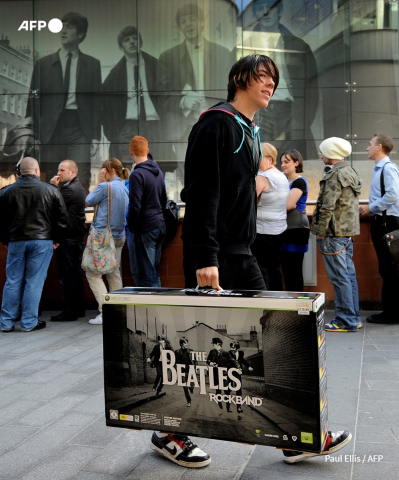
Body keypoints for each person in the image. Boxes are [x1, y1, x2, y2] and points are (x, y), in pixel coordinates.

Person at [151, 54, 351, 468]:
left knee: (275, 337)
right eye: (262, 76)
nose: (270, 84)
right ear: (239, 79)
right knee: (202, 353)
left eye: (273, 79)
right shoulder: (216, 123)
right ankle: (170, 431)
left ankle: (294, 436)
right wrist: (206, 257)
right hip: (215, 255)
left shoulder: (249, 129)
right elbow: (202, 193)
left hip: (241, 252)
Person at [26, 12, 101, 193]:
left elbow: (96, 102)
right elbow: (33, 99)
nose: (63, 31)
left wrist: (96, 136)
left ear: (80, 34)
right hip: (51, 127)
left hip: (79, 126)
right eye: (62, 26)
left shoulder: (92, 64)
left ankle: (78, 216)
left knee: (80, 175)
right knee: (52, 176)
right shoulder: (43, 64)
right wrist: (30, 129)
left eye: (69, 27)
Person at [157, 3, 231, 177]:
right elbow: (161, 94)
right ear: (180, 27)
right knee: (188, 174)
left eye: (192, 19)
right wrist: (182, 101)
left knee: (217, 171)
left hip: (216, 122)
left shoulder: (222, 53)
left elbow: (232, 91)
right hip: (184, 127)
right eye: (183, 21)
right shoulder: (168, 57)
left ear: (202, 22)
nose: (188, 24)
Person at [0, 157, 68, 332]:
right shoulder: (50, 190)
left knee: (13, 281)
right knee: (34, 282)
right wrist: (57, 239)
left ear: (20, 172)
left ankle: (6, 322)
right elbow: (62, 219)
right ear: (37, 171)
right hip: (42, 241)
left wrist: (6, 240)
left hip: (16, 241)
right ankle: (29, 322)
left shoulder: (6, 192)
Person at [246, 0, 319, 159]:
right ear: (254, 15)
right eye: (260, 9)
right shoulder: (244, 46)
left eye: (270, 8)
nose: (265, 13)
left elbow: (312, 88)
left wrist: (302, 120)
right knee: (261, 158)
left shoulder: (299, 46)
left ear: (279, 12)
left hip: (290, 109)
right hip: (258, 109)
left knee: (291, 160)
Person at [311, 137, 363, 332]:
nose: (320, 155)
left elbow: (327, 206)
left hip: (333, 234)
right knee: (348, 276)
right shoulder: (350, 171)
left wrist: (321, 232)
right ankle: (354, 317)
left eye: (323, 152)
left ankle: (345, 320)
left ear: (330, 153)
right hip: (347, 233)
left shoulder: (335, 175)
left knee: (340, 278)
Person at [102, 26, 161, 164]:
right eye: (127, 40)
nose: (132, 42)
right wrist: (114, 133)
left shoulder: (156, 66)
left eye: (135, 39)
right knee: (129, 168)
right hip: (126, 126)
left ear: (140, 42)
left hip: (153, 124)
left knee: (155, 164)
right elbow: (105, 107)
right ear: (121, 46)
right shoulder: (114, 75)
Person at [359, 133, 399, 324]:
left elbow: (392, 196)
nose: (367, 148)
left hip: (386, 224)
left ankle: (391, 313)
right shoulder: (381, 169)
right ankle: (391, 311)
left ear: (379, 147)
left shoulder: (387, 169)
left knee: (389, 269)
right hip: (383, 222)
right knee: (388, 269)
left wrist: (370, 208)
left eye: (369, 144)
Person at [85, 158, 129, 325]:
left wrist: (98, 182)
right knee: (113, 271)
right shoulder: (124, 188)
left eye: (103, 169)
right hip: (119, 236)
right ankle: (118, 311)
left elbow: (88, 201)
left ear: (109, 171)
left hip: (103, 237)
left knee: (93, 273)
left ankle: (106, 312)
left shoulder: (105, 186)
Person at [49, 160, 87, 321]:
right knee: (74, 275)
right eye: (58, 169)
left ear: (73, 172)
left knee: (67, 277)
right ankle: (77, 309)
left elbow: (52, 204)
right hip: (74, 238)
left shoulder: (69, 190)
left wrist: (52, 187)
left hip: (68, 239)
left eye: (62, 170)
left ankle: (70, 311)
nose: (59, 173)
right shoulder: (74, 187)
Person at [127, 136, 167, 287]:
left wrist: (132, 226)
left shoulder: (137, 175)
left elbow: (135, 205)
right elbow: (164, 200)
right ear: (147, 151)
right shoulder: (158, 172)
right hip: (160, 225)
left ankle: (153, 309)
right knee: (155, 272)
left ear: (131, 152)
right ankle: (159, 305)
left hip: (145, 228)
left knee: (147, 273)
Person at [251, 142, 289, 290]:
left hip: (262, 231)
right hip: (280, 229)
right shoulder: (282, 176)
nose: (256, 161)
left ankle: (264, 304)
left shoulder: (262, 176)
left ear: (270, 159)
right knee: (274, 268)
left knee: (261, 269)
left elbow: (249, 201)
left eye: (259, 157)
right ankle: (277, 304)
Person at [280, 149, 310, 291]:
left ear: (296, 163)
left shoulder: (299, 182)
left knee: (294, 270)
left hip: (297, 230)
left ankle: (298, 307)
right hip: (286, 229)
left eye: (286, 162)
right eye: (281, 162)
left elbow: (289, 205)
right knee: (287, 270)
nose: (283, 165)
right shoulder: (285, 181)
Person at [228, 341, 253, 414]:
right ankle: (228, 406)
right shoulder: (229, 353)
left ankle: (239, 407)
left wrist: (249, 366)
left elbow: (243, 361)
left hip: (238, 374)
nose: (232, 349)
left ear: (237, 347)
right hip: (230, 373)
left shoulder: (241, 353)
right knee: (229, 390)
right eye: (231, 347)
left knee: (238, 390)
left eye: (233, 347)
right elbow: (232, 362)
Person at [174, 337, 195, 406]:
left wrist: (195, 367)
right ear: (182, 344)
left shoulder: (190, 351)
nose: (187, 344)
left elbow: (194, 361)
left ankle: (191, 388)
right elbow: (175, 362)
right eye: (185, 343)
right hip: (182, 371)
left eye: (187, 342)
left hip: (189, 370)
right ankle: (188, 401)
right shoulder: (177, 352)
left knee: (190, 385)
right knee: (185, 387)